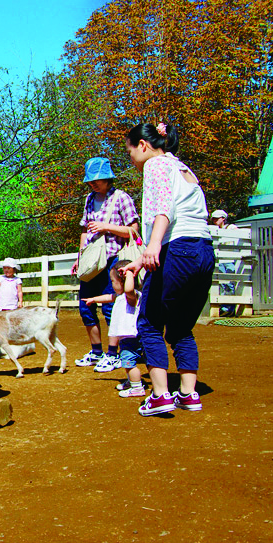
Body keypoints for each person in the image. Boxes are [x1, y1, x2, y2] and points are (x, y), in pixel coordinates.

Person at [124, 122, 214, 416]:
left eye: (130, 152)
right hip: (202, 250)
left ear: (144, 145)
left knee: (149, 322)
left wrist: (152, 246)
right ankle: (189, 394)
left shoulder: (156, 165)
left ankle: (160, 395)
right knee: (181, 326)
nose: (132, 160)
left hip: (177, 249)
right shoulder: (182, 167)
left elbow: (164, 209)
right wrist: (143, 257)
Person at [71, 157, 140, 373]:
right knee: (86, 306)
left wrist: (106, 227)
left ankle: (114, 354)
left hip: (114, 259)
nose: (92, 184)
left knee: (112, 307)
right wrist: (80, 256)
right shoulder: (89, 199)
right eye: (90, 181)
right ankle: (96, 351)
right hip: (92, 261)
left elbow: (134, 231)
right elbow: (84, 230)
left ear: (107, 179)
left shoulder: (122, 198)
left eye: (96, 180)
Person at [82, 260, 146, 397]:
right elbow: (108, 297)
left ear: (123, 281)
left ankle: (137, 387)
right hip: (125, 338)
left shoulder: (131, 296)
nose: (111, 284)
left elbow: (128, 289)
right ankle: (132, 381)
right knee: (126, 361)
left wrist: (128, 273)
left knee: (129, 363)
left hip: (132, 338)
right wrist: (93, 299)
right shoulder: (120, 296)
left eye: (112, 281)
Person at [211, 209, 238, 316]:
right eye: (214, 219)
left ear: (223, 219)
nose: (215, 221)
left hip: (229, 260)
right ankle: (224, 307)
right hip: (220, 260)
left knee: (229, 284)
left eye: (217, 219)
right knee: (221, 284)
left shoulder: (231, 228)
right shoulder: (214, 230)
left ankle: (230, 308)